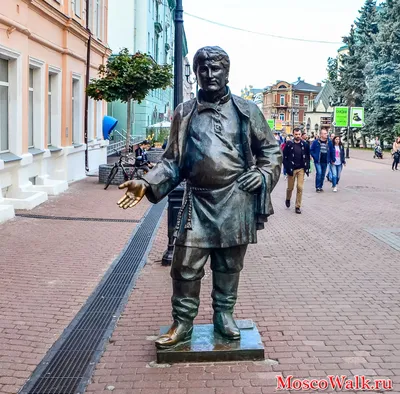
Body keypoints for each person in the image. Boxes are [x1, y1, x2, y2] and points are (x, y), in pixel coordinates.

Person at [117, 46, 282, 348]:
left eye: (215, 68)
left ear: (227, 72)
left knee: (229, 264)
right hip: (199, 204)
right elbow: (172, 162)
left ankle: (224, 316)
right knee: (185, 266)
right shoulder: (184, 112)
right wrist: (146, 183)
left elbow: (270, 151)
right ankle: (182, 323)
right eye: (202, 69)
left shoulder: (247, 110)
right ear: (196, 73)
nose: (209, 75)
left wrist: (260, 175)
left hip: (236, 198)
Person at [283, 128, 310, 214]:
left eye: (299, 134)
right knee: (290, 188)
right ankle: (288, 198)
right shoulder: (289, 144)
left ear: (301, 134)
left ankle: (297, 206)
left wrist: (307, 167)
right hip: (292, 169)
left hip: (301, 169)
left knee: (300, 187)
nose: (298, 136)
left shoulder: (305, 145)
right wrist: (286, 167)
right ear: (293, 134)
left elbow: (307, 156)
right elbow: (284, 156)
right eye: (296, 134)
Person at [310, 128, 334, 192]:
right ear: (321, 135)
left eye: (326, 133)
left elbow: (332, 151)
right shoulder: (316, 142)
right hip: (318, 161)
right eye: (325, 133)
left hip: (325, 160)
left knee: (323, 174)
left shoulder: (329, 142)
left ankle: (320, 186)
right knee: (319, 173)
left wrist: (332, 159)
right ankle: (317, 187)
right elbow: (311, 150)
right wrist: (315, 156)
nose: (326, 135)